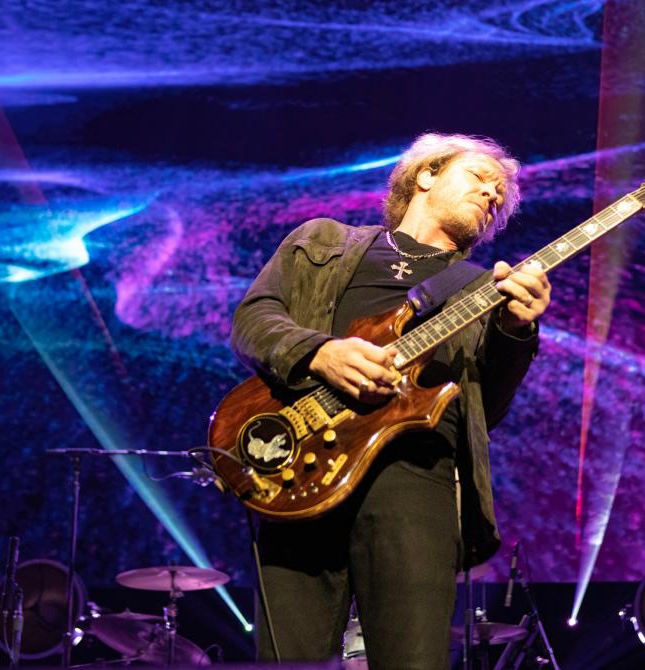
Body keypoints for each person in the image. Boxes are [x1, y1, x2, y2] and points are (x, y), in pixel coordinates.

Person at [230, 133, 551, 669]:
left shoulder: (480, 291)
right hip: (300, 472)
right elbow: (253, 321)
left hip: (415, 479)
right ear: (426, 174)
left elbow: (485, 412)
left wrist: (517, 331)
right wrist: (320, 353)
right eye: (479, 178)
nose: (493, 194)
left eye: (500, 194)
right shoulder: (323, 241)